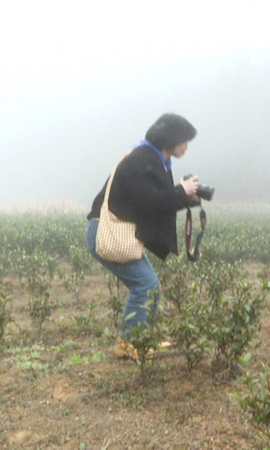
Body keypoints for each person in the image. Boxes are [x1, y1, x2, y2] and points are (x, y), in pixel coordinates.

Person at [85, 113, 199, 359]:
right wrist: (180, 191)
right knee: (145, 285)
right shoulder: (141, 160)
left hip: (114, 233)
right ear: (170, 139)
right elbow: (151, 202)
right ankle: (131, 344)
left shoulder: (156, 161)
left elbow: (155, 203)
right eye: (184, 141)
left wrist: (185, 196)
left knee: (151, 285)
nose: (186, 146)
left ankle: (138, 341)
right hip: (105, 233)